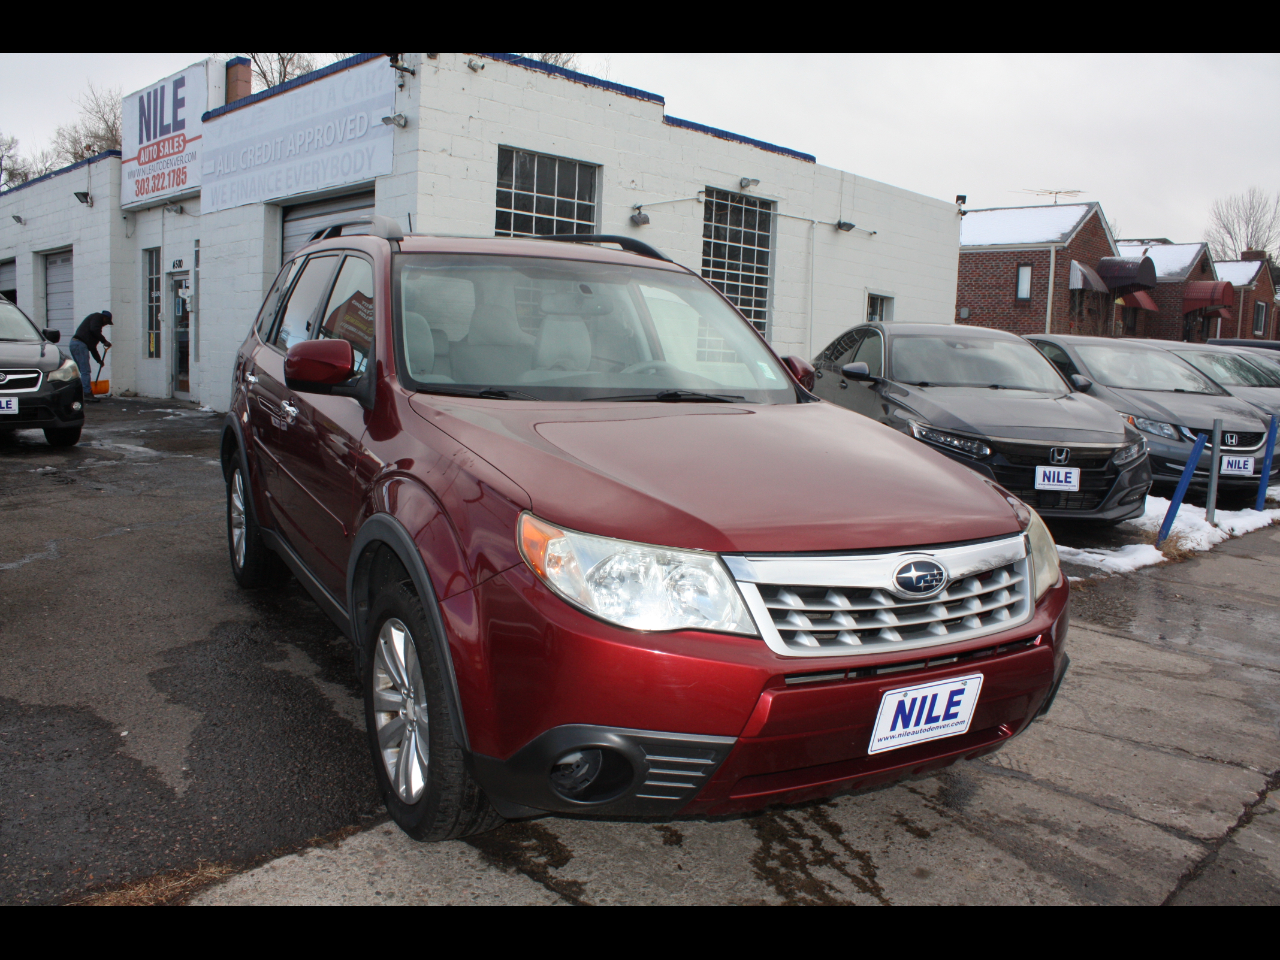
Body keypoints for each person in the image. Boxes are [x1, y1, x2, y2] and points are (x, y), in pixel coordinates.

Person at [70, 309, 112, 403]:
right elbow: (94, 330)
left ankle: (80, 392)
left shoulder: (93, 330)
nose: (106, 324)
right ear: (104, 318)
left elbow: (92, 348)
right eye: (107, 322)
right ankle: (87, 393)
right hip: (80, 344)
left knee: (82, 371)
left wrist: (99, 360)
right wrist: (104, 341)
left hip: (75, 344)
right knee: (85, 371)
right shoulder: (97, 317)